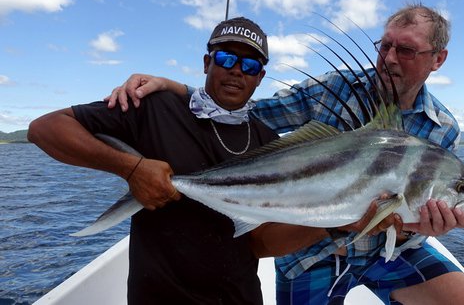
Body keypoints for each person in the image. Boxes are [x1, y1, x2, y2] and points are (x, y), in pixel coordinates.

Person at [104, 4, 464, 305]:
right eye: (386, 45)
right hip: (312, 253)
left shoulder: (442, 127)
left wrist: (425, 225)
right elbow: (244, 111)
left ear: (437, 59)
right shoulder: (334, 89)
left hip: (387, 252)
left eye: (407, 50)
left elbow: (414, 206)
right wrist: (177, 90)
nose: (390, 58)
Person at [28, 16, 381, 305]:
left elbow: (259, 244)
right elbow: (45, 129)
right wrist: (131, 168)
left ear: (260, 76)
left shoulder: (269, 144)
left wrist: (338, 222)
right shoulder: (156, 107)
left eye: (250, 64)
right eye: (226, 58)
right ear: (206, 62)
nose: (236, 71)